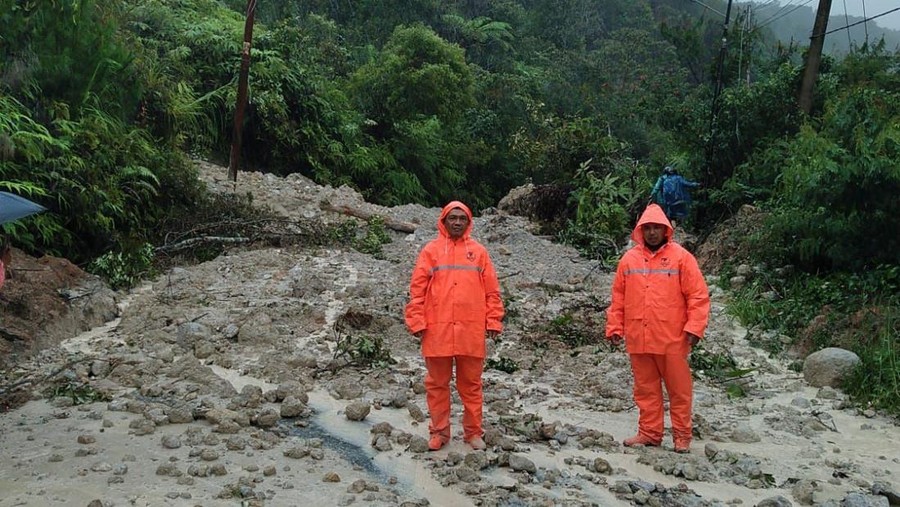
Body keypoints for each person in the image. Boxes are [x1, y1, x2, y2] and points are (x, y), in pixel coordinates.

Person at [605, 203, 710, 453]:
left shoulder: (682, 258)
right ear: (641, 230)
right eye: (648, 228)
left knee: (679, 390)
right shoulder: (629, 260)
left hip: (672, 338)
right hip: (639, 337)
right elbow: (618, 297)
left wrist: (695, 328)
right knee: (645, 389)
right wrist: (614, 327)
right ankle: (650, 433)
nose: (652, 232)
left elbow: (698, 295)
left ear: (666, 230)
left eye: (657, 228)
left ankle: (682, 436)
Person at [404, 201, 504, 451]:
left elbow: (492, 291)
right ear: (444, 221)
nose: (457, 222)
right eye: (453, 218)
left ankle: (472, 433)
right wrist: (416, 320)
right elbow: (417, 291)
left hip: (470, 331)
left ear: (469, 222)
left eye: (462, 218)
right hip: (437, 331)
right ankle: (439, 432)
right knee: (436, 385)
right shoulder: (431, 251)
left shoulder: (479, 252)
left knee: (471, 386)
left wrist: (493, 320)